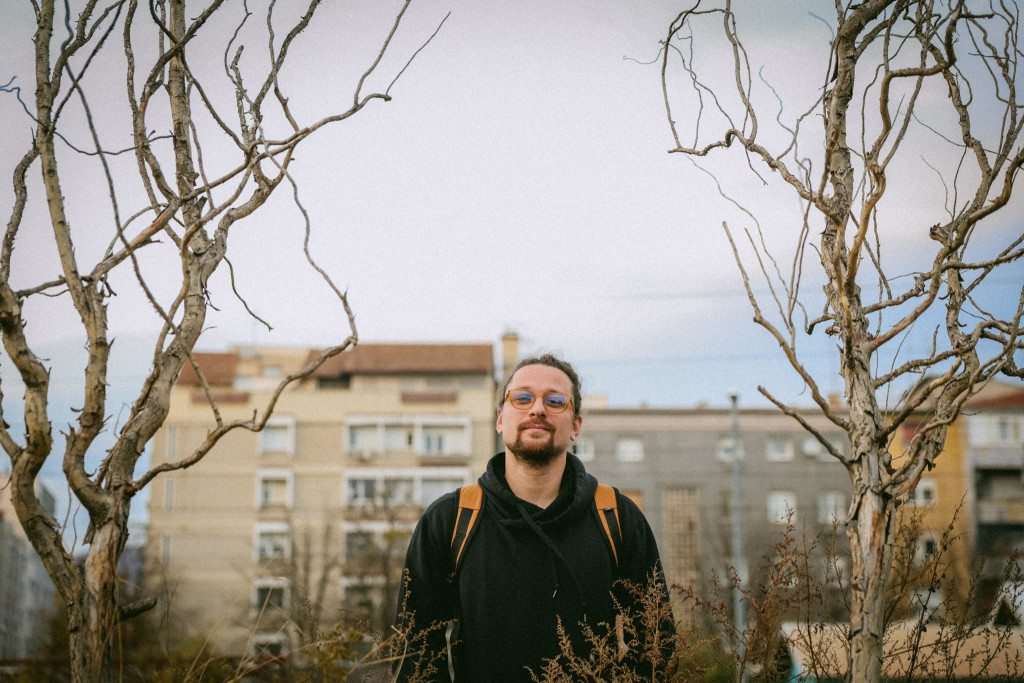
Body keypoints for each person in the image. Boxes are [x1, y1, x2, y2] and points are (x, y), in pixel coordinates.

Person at [394, 354, 672, 682]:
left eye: (555, 401)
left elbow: (657, 648)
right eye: (523, 398)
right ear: (500, 419)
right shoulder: (450, 520)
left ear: (576, 426)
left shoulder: (617, 517)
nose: (537, 409)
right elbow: (414, 655)